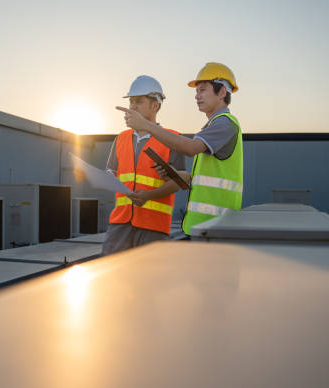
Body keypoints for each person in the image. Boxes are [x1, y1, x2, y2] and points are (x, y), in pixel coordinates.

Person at [116, 62, 243, 235]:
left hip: (217, 226)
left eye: (203, 90)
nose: (197, 96)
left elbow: (190, 148)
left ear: (221, 92)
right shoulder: (212, 126)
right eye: (196, 91)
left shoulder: (225, 123)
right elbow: (204, 179)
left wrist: (145, 125)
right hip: (207, 226)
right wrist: (177, 175)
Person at [102, 75, 186, 255]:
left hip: (153, 225)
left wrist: (149, 195)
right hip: (120, 222)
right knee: (112, 275)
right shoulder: (121, 138)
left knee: (147, 279)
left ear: (155, 105)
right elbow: (111, 172)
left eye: (138, 102)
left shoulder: (173, 139)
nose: (132, 106)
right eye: (131, 101)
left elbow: (178, 182)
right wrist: (103, 177)